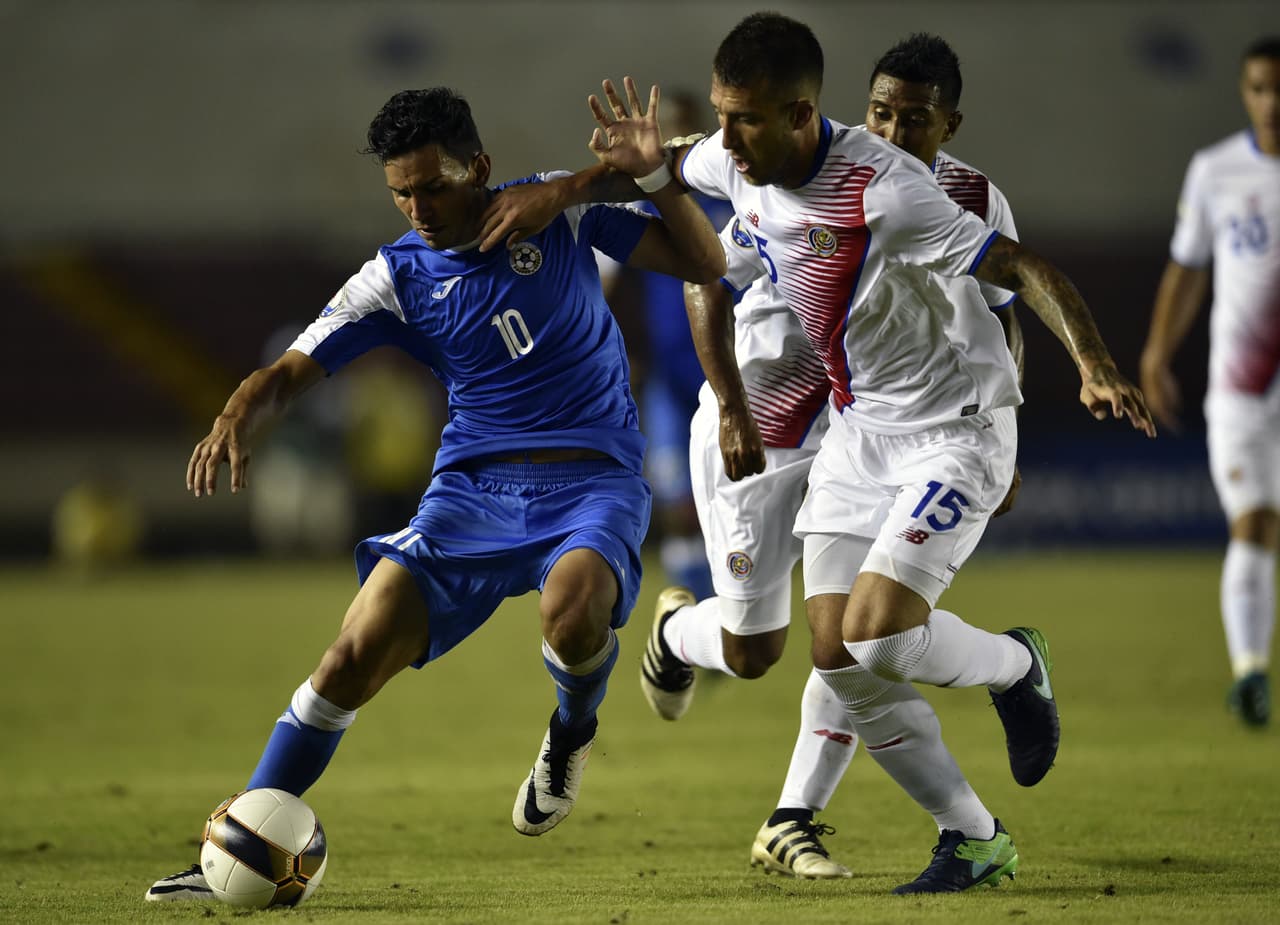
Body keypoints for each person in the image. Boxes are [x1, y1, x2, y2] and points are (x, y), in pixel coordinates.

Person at [479, 12, 1154, 894]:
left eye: (744, 120)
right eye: (722, 118)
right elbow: (674, 186)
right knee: (826, 654)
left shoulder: (894, 191)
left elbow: (1020, 278)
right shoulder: (739, 156)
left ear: (800, 114)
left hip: (951, 432)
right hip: (852, 430)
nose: (727, 140)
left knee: (873, 638)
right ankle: (973, 835)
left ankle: (1012, 667)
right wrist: (565, 190)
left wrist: (1094, 365)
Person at [145, 83, 725, 902]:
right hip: (470, 492)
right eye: (402, 192)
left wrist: (578, 184)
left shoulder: (555, 211)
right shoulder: (394, 277)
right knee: (347, 657)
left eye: (434, 185)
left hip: (592, 478)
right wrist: (241, 409)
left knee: (572, 606)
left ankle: (571, 731)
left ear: (478, 167)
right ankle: (239, 842)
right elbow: (290, 370)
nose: (418, 206)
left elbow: (705, 259)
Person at [644, 32, 1028, 881]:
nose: (892, 133)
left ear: (949, 125)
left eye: (915, 119)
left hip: (858, 432)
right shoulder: (788, 178)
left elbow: (1003, 307)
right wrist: (736, 407)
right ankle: (675, 633)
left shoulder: (966, 198)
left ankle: (796, 815)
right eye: (880, 113)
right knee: (754, 648)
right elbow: (705, 270)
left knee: (851, 637)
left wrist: (1005, 428)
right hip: (763, 428)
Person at [1140, 36, 1280, 728]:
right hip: (1241, 391)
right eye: (1259, 88)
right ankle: (1250, 672)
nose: (1271, 102)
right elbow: (1187, 269)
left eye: (1278, 88)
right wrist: (1157, 354)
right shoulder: (1216, 171)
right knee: (1253, 521)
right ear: (1244, 91)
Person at [598, 90, 738, 600]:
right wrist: (617, 357)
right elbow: (606, 290)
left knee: (728, 499)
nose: (676, 143)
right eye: (668, 133)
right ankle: (691, 609)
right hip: (667, 378)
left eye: (687, 133)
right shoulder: (638, 206)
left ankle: (728, 610)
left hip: (730, 374)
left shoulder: (734, 199)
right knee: (678, 502)